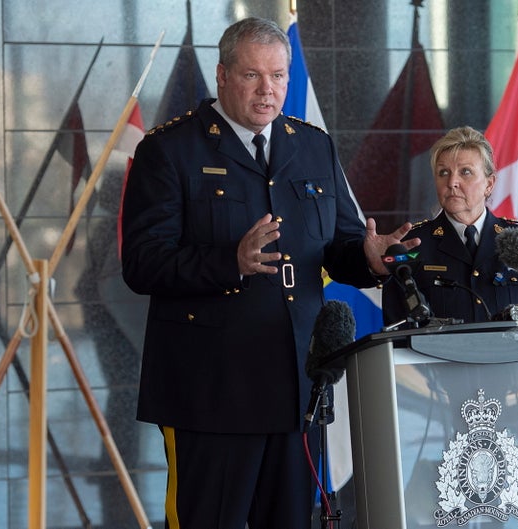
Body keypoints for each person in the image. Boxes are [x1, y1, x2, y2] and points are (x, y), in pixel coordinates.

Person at [120, 17, 417, 529]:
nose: (269, 90)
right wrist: (228, 263)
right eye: (254, 75)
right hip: (210, 391)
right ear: (222, 75)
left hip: (296, 389)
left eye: (279, 76)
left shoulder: (312, 145)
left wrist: (369, 259)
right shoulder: (169, 150)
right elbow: (141, 262)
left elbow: (337, 247)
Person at [382, 125, 518, 326]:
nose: (452, 182)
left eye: (465, 172)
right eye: (443, 173)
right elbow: (397, 333)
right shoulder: (411, 246)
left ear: (489, 184)